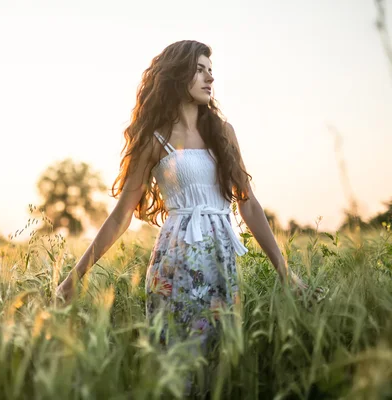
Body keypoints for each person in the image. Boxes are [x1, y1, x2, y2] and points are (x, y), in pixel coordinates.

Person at [55, 39, 311, 393]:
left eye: (211, 71)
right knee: (178, 372)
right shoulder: (155, 139)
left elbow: (248, 204)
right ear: (177, 75)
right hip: (175, 264)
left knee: (218, 369)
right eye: (200, 69)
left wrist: (286, 272)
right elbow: (119, 217)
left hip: (221, 262)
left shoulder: (223, 132)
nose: (210, 78)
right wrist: (74, 277)